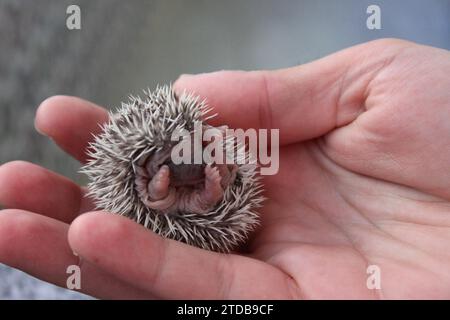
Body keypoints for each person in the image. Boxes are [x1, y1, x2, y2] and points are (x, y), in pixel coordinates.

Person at [0, 38, 449, 299]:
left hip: (193, 199)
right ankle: (166, 191)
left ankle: (183, 191)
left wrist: (203, 177)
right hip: (164, 196)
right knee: (175, 191)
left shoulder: (210, 157)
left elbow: (214, 165)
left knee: (205, 190)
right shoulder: (145, 164)